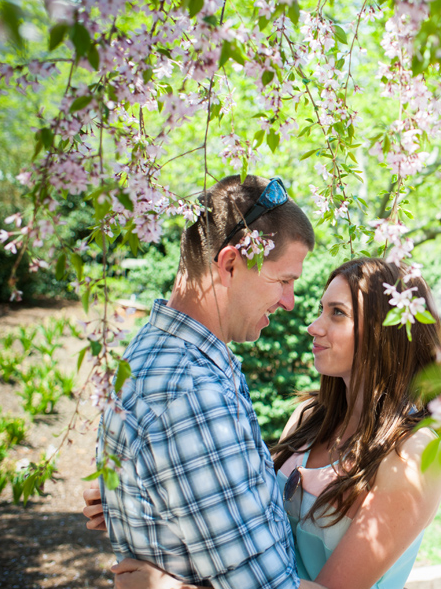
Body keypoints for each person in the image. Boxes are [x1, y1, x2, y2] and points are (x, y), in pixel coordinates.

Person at [87, 257, 441, 589]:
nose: (313, 327)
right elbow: (244, 518)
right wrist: (146, 497)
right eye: (320, 311)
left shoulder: (413, 456)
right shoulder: (308, 420)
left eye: (337, 313)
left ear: (383, 330)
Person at [92, 174, 324, 589]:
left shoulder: (156, 352)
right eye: (284, 280)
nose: (290, 303)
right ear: (230, 263)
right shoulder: (192, 395)